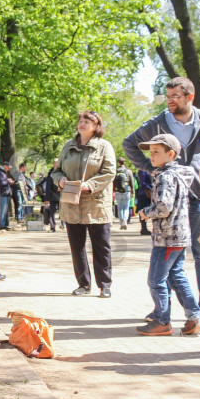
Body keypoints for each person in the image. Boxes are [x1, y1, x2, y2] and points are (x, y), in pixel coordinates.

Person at [123, 76, 200, 325]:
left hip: (198, 197)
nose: (170, 101)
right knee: (169, 256)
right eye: (168, 96)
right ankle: (163, 310)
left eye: (175, 96)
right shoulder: (158, 123)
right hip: (169, 202)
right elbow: (129, 144)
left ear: (189, 97)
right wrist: (151, 168)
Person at [134, 134, 200, 336]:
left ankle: (162, 320)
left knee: (156, 280)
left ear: (171, 154)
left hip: (167, 238)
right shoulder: (176, 175)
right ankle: (194, 317)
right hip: (177, 236)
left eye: (156, 152)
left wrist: (145, 212)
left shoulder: (166, 176)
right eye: (151, 152)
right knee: (177, 276)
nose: (152, 156)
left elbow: (164, 206)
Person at [51, 110, 116, 298]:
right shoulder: (68, 146)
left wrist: (90, 185)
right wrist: (60, 180)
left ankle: (104, 285)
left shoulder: (104, 146)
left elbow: (109, 172)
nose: (83, 123)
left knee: (101, 247)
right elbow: (56, 171)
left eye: (88, 121)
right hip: (72, 205)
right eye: (81, 120)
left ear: (96, 126)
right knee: (77, 247)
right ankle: (83, 284)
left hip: (96, 205)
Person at [114, 158, 136, 230]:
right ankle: (125, 221)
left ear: (118, 163)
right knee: (126, 207)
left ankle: (121, 223)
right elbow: (132, 182)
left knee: (120, 208)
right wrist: (132, 192)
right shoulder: (128, 171)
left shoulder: (116, 171)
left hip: (117, 192)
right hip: (127, 191)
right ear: (124, 162)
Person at [43, 158, 62, 232]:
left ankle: (63, 224)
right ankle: (52, 227)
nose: (55, 165)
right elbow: (48, 186)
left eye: (56, 163)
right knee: (52, 212)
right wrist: (47, 198)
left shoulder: (63, 172)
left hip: (61, 195)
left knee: (62, 211)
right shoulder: (50, 172)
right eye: (54, 164)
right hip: (52, 195)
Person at [0, 161, 13, 231]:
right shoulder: (0, 173)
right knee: (3, 210)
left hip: (6, 193)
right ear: (5, 166)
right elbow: (2, 182)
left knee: (6, 210)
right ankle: (2, 224)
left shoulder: (2, 173)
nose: (8, 169)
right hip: (3, 193)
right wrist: (8, 182)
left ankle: (5, 224)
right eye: (8, 167)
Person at [136, 169, 153, 235]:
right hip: (144, 193)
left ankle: (144, 228)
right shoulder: (143, 171)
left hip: (147, 193)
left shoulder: (148, 170)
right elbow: (143, 182)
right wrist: (151, 188)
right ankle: (144, 228)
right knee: (143, 210)